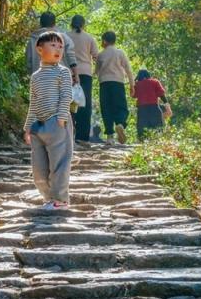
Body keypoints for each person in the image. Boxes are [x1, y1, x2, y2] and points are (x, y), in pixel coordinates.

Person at [24, 29, 75, 210]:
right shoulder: (36, 76)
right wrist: (28, 126)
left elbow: (66, 95)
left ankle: (60, 200)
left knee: (59, 164)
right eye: (53, 45)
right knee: (39, 168)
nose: (58, 49)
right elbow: (33, 101)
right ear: (39, 49)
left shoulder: (63, 72)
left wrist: (61, 117)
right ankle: (48, 198)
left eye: (61, 46)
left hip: (57, 122)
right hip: (39, 125)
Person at [95, 30, 132, 145]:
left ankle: (110, 137)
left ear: (104, 41)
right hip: (118, 83)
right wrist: (132, 85)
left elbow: (96, 72)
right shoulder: (120, 53)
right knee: (121, 107)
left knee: (106, 109)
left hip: (104, 84)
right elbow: (128, 70)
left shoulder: (101, 54)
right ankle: (120, 124)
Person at [69, 15, 99, 143]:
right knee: (84, 104)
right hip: (86, 73)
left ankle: (68, 133)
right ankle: (82, 137)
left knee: (69, 102)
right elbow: (96, 56)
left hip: (69, 72)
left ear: (71, 24)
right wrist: (96, 71)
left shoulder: (65, 36)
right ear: (83, 24)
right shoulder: (89, 38)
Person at [133, 68, 172, 140]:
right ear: (148, 75)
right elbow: (161, 95)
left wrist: (133, 83)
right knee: (158, 130)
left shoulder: (137, 84)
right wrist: (167, 106)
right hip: (154, 108)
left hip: (142, 110)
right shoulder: (155, 82)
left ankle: (143, 147)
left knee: (142, 132)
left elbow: (133, 95)